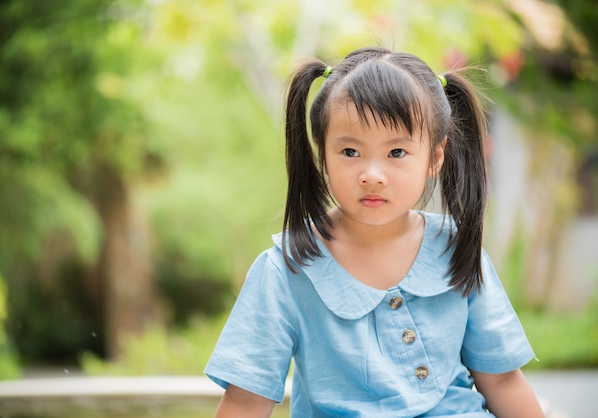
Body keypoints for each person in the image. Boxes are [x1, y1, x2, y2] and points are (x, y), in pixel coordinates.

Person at [204, 46, 544, 418]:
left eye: (396, 152)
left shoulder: (454, 248)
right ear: (322, 156)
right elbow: (247, 400)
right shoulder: (285, 271)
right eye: (350, 151)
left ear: (434, 157)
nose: (372, 174)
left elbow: (502, 380)